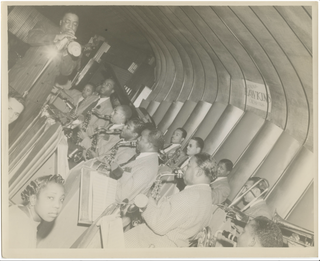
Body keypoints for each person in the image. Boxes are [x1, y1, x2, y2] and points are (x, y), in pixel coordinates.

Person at [8, 12, 81, 142]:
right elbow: (31, 37)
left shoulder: (75, 48)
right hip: (18, 81)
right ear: (61, 22)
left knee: (15, 128)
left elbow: (66, 71)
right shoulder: (46, 27)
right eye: (67, 21)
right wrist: (57, 37)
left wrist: (66, 52)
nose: (71, 26)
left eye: (75, 24)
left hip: (37, 94)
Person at [124, 153, 216, 248]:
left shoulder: (190, 196)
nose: (184, 169)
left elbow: (159, 225)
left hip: (150, 244)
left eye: (188, 166)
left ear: (199, 172)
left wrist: (147, 201)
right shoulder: (207, 198)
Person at [9, 174, 65, 248]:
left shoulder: (21, 211)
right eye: (51, 198)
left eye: (61, 199)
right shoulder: (22, 227)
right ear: (33, 199)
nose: (57, 205)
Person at [110, 128, 164, 203]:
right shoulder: (144, 157)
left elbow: (122, 196)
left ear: (150, 145)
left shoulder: (147, 169)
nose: (137, 139)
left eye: (141, 138)